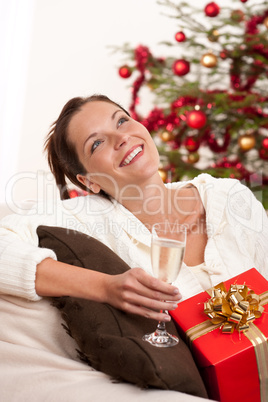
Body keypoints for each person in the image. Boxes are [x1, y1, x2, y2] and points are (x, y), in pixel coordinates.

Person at [0, 94, 267, 401]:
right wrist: (105, 287)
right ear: (89, 182)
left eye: (122, 120)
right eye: (96, 143)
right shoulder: (84, 217)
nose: (121, 137)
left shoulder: (230, 197)